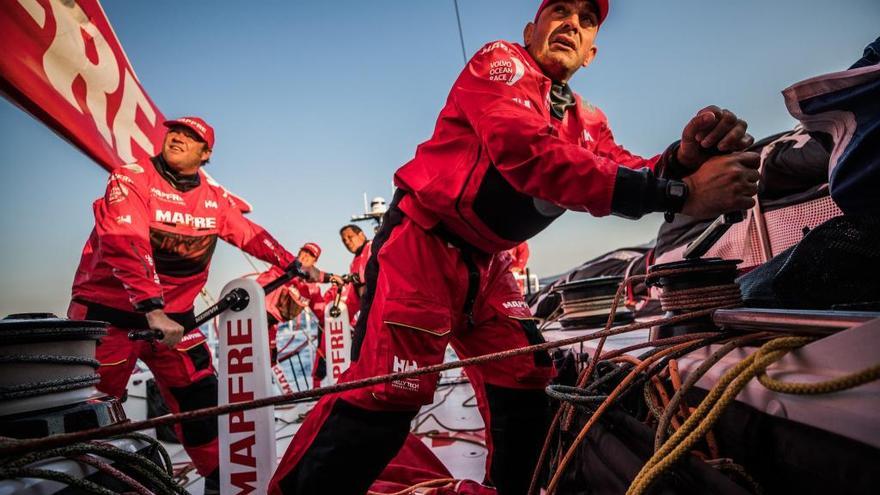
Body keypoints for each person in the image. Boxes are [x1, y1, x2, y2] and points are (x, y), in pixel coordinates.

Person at [271, 1, 759, 494]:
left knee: (526, 377)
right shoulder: (500, 62)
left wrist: (681, 160)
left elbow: (624, 165)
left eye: (586, 20)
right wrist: (683, 194)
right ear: (531, 31)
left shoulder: (587, 120)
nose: (571, 23)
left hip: (489, 264)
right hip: (423, 243)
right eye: (560, 10)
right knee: (390, 393)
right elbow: (525, 152)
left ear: (591, 53)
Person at [67, 116, 322, 493]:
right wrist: (152, 307)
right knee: (93, 411)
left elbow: (250, 234)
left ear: (206, 154)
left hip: (177, 322)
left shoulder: (215, 200)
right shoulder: (131, 177)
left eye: (191, 137)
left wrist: (293, 264)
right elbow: (125, 240)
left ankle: (221, 479)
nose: (178, 139)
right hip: (110, 319)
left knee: (201, 400)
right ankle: (86, 483)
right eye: (175, 132)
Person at [258, 242, 331, 367]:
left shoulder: (312, 288)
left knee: (268, 362)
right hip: (255, 314)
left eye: (310, 255)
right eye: (304, 252)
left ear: (314, 261)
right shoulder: (282, 264)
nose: (305, 256)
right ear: (299, 253)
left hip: (271, 326)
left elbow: (323, 314)